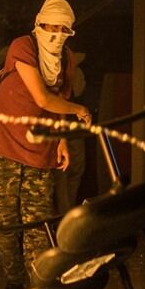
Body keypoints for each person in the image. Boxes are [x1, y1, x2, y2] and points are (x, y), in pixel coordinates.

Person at [0, 0, 91, 289]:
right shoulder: (23, 47)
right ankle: (14, 288)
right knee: (6, 222)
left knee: (38, 223)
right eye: (51, 27)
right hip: (3, 146)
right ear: (38, 24)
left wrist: (61, 141)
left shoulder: (67, 60)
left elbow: (60, 99)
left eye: (64, 29)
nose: (56, 35)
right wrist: (78, 113)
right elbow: (43, 98)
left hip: (40, 147)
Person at [53, 52, 88, 214]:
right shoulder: (74, 75)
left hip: (69, 132)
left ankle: (66, 218)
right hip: (68, 133)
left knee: (67, 179)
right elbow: (79, 92)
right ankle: (67, 219)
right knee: (69, 178)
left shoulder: (67, 75)